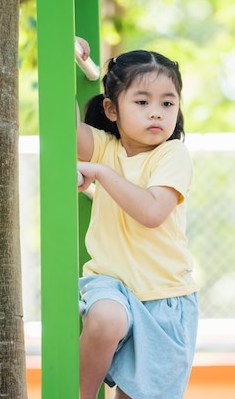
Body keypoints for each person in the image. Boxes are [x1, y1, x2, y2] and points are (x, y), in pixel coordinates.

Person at [75, 41, 199, 399]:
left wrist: (100, 173)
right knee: (106, 318)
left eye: (167, 102)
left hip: (165, 300)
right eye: (142, 102)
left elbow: (151, 212)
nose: (156, 112)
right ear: (112, 110)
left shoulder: (173, 155)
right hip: (111, 286)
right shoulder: (104, 146)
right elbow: (62, 124)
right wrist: (67, 59)